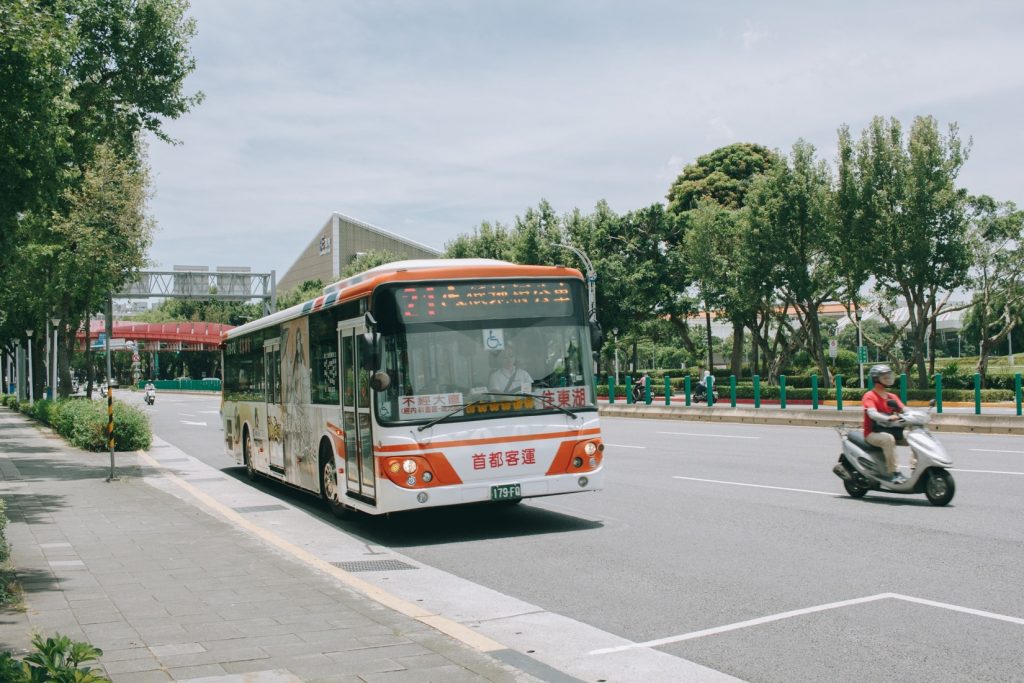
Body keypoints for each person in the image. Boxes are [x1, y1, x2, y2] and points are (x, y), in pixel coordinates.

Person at [861, 364, 908, 483]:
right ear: (876, 379)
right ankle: (895, 473)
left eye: (889, 376)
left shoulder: (892, 396)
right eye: (884, 377)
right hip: (872, 433)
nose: (888, 379)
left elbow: (905, 410)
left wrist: (919, 415)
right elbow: (872, 414)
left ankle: (917, 467)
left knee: (915, 436)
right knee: (888, 439)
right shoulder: (869, 396)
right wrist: (888, 418)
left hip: (892, 429)